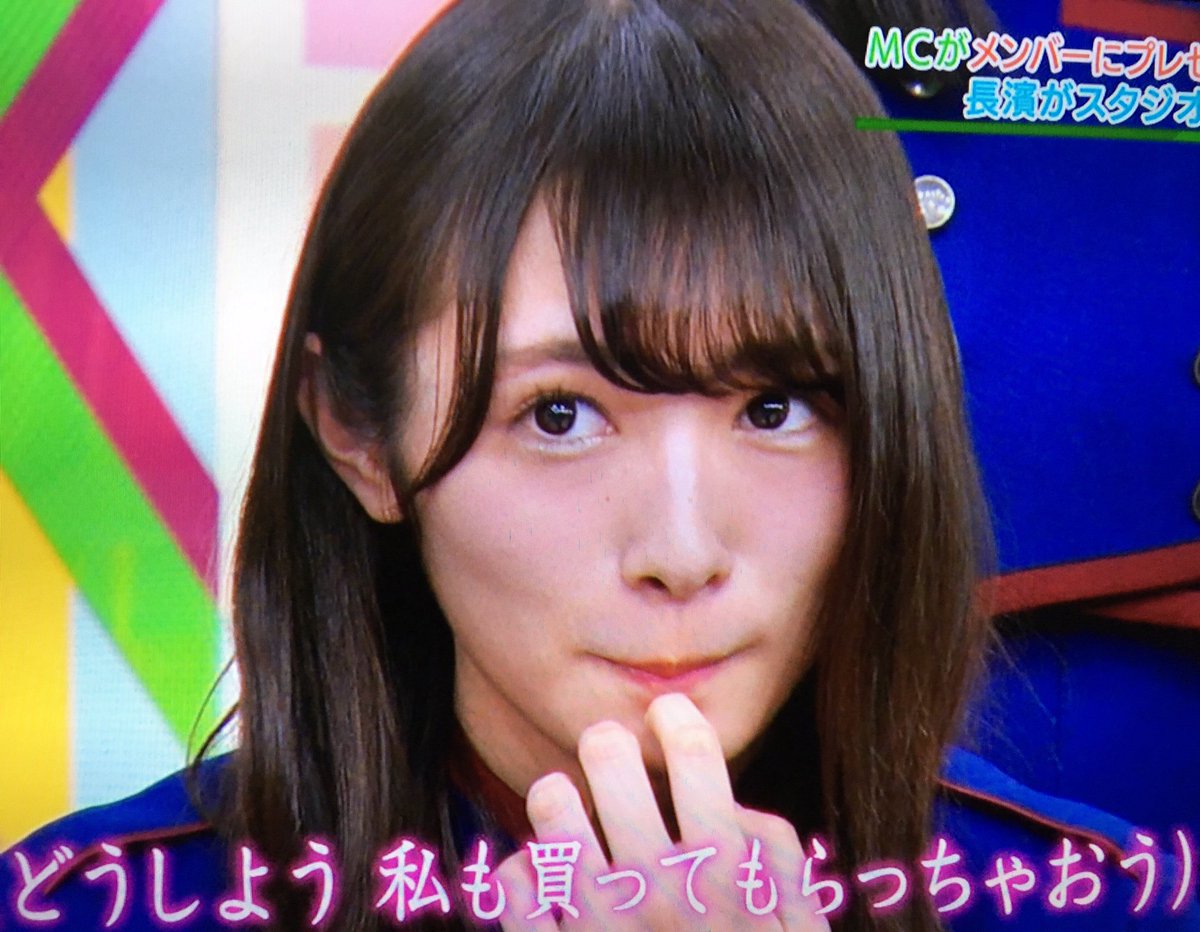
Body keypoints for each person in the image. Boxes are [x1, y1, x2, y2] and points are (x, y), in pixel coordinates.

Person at [4, 0, 1193, 929]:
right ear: (359, 433)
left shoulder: (1099, 900)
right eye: (561, 414)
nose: (681, 549)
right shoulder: (81, 905)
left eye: (776, 406)